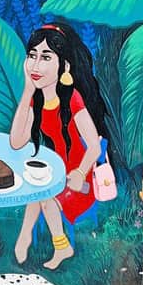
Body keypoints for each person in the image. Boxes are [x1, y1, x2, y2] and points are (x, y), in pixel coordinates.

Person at [9, 22, 109, 270]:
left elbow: (94, 147)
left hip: (81, 178)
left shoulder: (72, 98)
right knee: (38, 188)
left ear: (63, 66)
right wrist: (27, 90)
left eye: (45, 57)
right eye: (32, 56)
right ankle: (25, 237)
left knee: (44, 196)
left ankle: (61, 245)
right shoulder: (38, 98)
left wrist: (78, 172)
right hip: (57, 172)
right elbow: (16, 141)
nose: (36, 65)